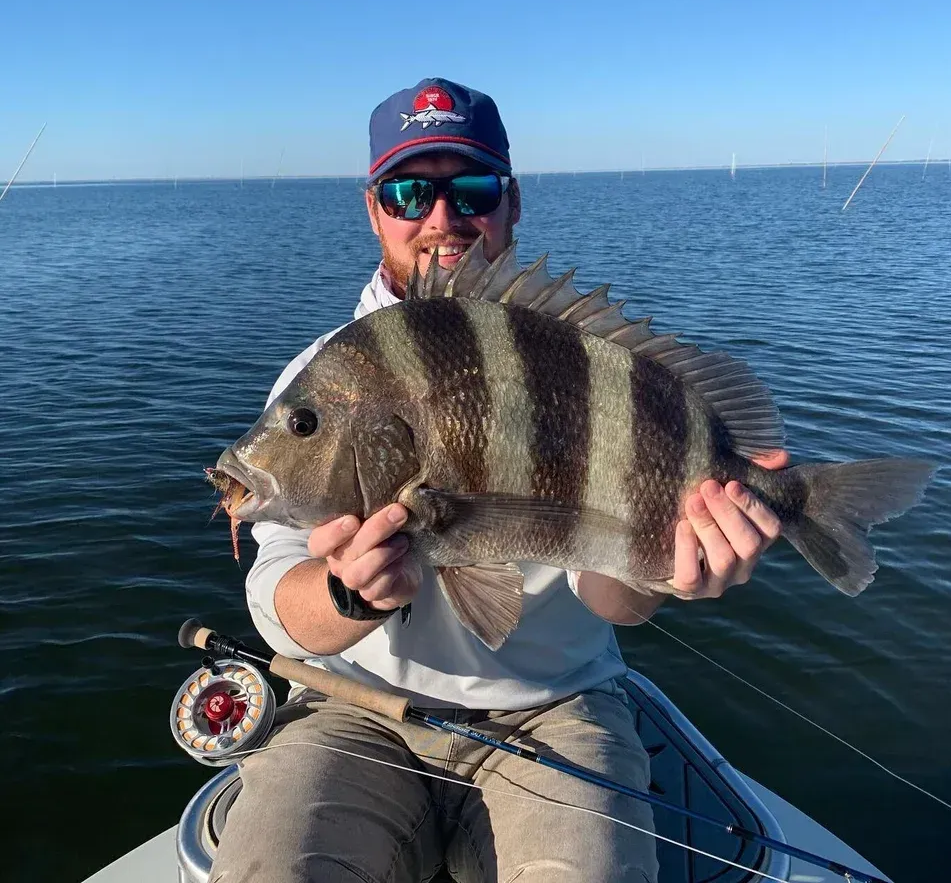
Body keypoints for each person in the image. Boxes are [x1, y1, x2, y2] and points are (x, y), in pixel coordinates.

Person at [209, 78, 788, 883]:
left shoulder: (571, 358)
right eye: (409, 191)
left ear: (511, 204)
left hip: (557, 711)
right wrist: (347, 595)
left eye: (471, 189)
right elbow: (274, 592)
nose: (441, 219)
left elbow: (606, 595)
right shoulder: (323, 377)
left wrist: (672, 569)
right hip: (352, 712)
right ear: (374, 208)